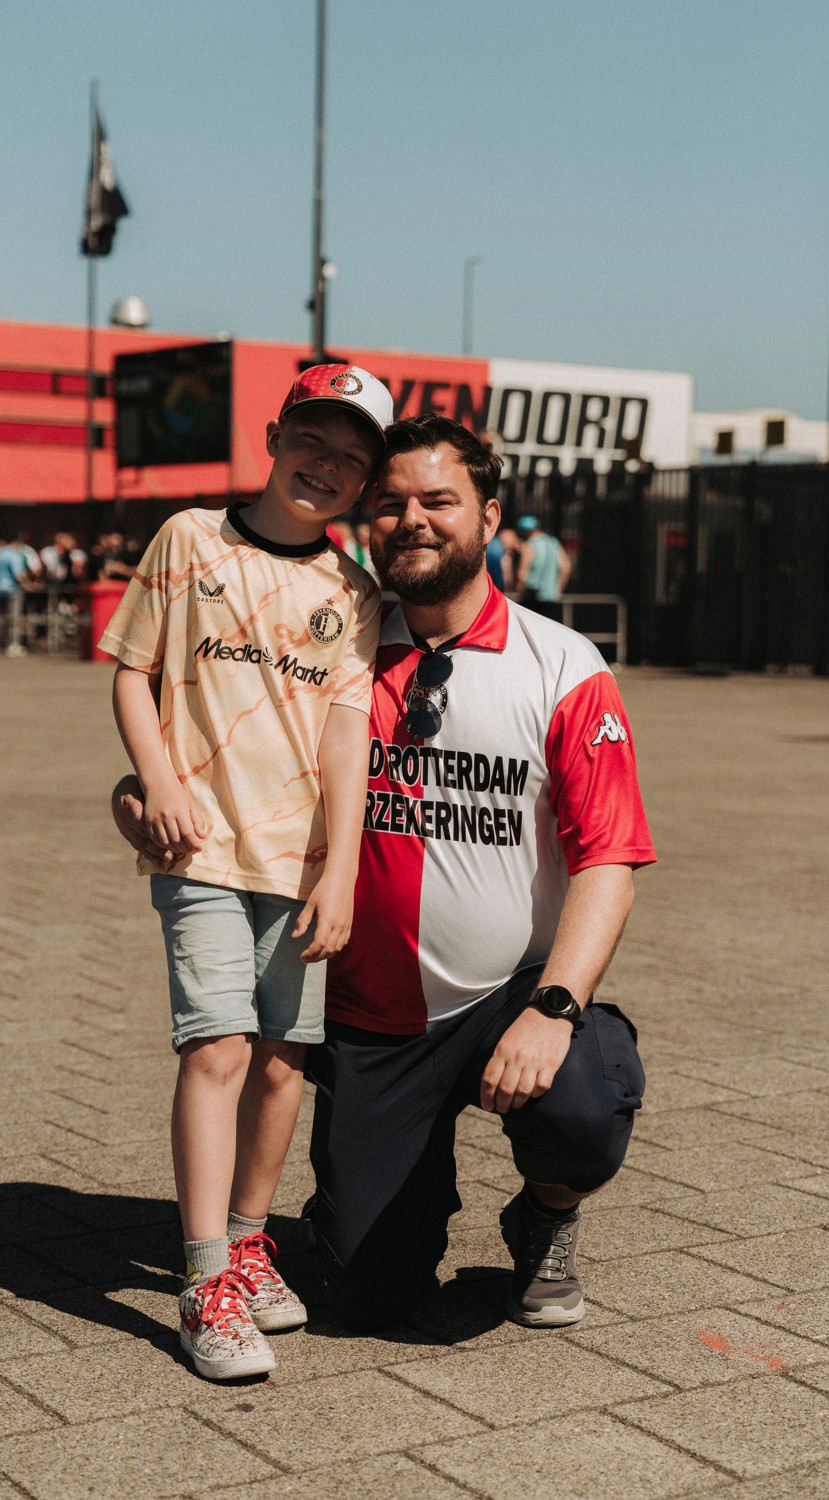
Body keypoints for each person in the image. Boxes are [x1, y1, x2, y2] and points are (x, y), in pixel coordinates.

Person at [113, 413, 654, 1337]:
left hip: (508, 997)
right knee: (368, 1294)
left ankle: (547, 1213)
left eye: (439, 500)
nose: (413, 520)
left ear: (489, 516)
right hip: (372, 1022)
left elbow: (609, 858)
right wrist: (137, 795)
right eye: (392, 503)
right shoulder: (344, 639)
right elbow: (217, 748)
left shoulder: (562, 665)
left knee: (583, 1105)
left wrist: (555, 1006)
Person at [98, 364, 391, 1380]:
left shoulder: (354, 592)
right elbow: (132, 670)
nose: (327, 466)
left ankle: (251, 1239)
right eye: (313, 440)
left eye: (352, 458)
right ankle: (203, 1280)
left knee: (281, 1062)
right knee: (217, 1049)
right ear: (272, 436)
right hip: (203, 849)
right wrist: (156, 781)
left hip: (299, 864)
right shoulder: (189, 538)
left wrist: (341, 868)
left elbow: (348, 736)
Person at [516, 513, 572, 616]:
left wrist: (519, 591)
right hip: (551, 597)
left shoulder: (529, 545)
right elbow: (566, 567)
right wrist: (557, 590)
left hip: (532, 597)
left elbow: (522, 573)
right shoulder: (553, 542)